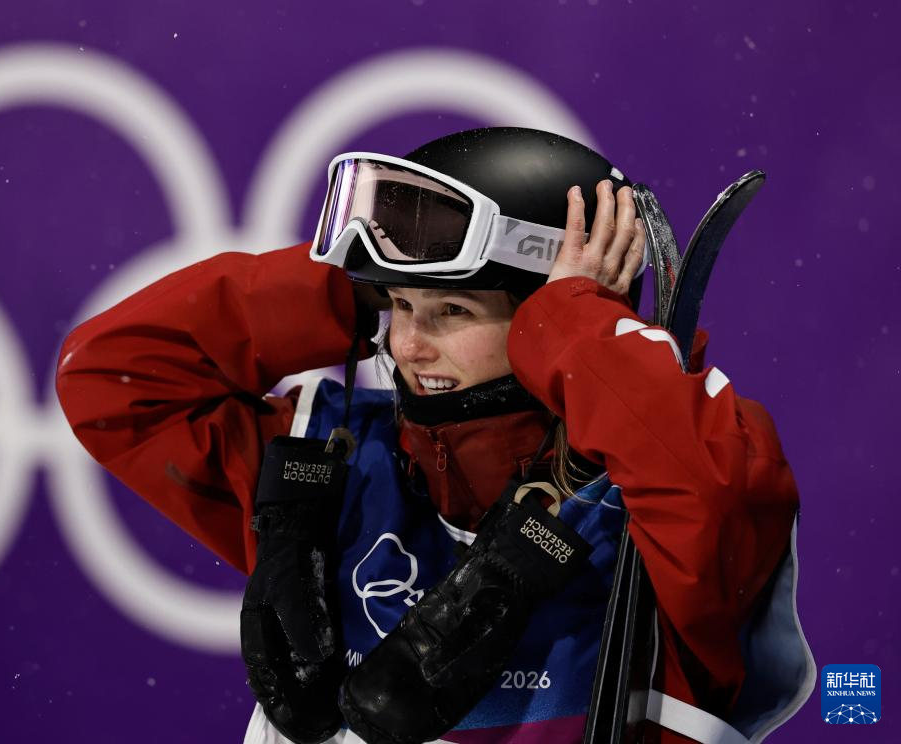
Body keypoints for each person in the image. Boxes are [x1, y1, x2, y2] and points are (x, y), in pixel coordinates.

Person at [55, 128, 812, 744]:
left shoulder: (652, 506)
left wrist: (578, 327)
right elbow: (112, 378)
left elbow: (711, 489)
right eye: (399, 306)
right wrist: (344, 285)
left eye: (453, 312)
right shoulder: (340, 459)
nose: (410, 346)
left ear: (551, 315)